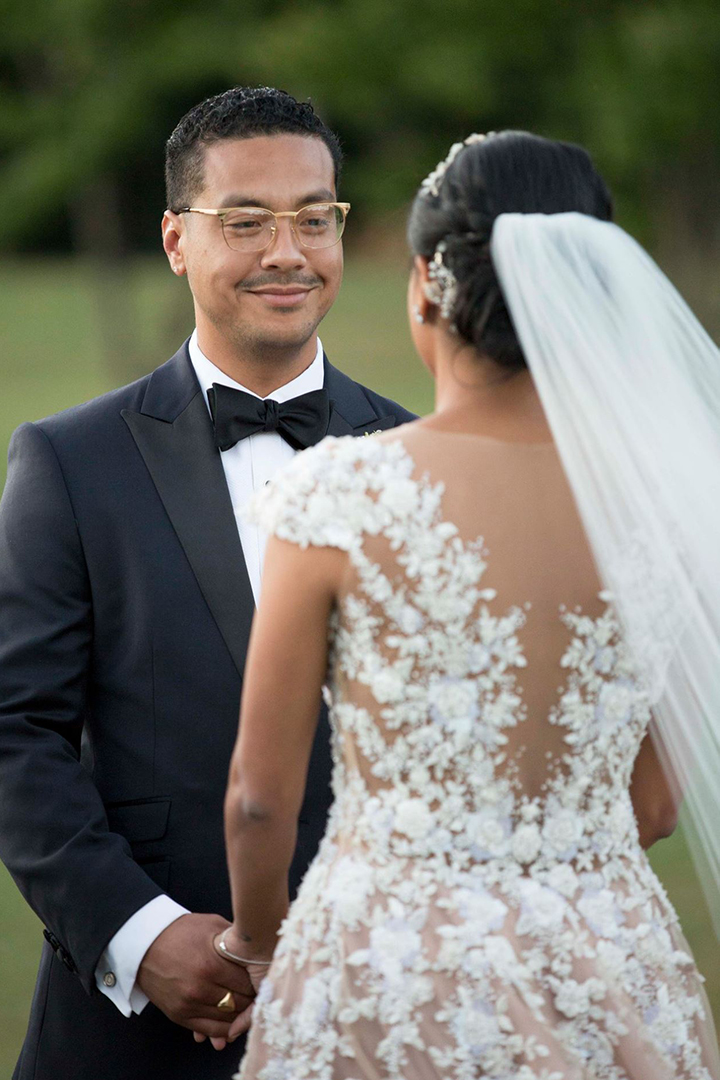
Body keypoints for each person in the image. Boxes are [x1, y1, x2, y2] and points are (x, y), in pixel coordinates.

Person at [221, 131, 720, 1078]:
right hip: (609, 965)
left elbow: (257, 800)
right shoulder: (671, 507)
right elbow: (655, 806)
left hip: (389, 969)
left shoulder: (340, 494)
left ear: (425, 285)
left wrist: (258, 941)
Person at [0, 86, 415, 1080]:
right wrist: (140, 936)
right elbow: (16, 731)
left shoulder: (419, 457)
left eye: (314, 219)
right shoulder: (69, 462)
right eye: (246, 221)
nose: (288, 252)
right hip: (137, 1034)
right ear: (175, 241)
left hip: (380, 1008)